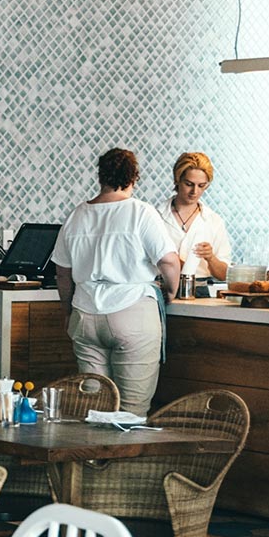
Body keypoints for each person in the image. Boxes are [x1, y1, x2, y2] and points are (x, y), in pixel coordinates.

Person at [47, 148, 182, 412]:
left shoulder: (77, 215)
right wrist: (172, 290)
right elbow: (169, 261)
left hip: (85, 315)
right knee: (131, 412)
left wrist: (67, 312)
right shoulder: (141, 212)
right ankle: (123, 453)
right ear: (134, 177)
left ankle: (93, 455)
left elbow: (62, 272)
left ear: (100, 177)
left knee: (95, 409)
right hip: (132, 313)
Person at [162, 151, 234, 287]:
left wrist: (210, 258)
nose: (194, 191)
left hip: (202, 296)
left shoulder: (213, 221)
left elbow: (225, 275)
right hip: (164, 289)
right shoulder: (156, 217)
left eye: (201, 186)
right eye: (189, 184)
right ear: (177, 180)